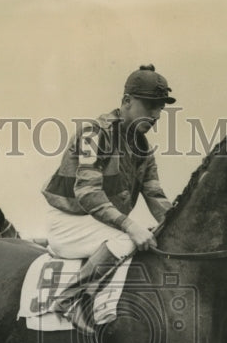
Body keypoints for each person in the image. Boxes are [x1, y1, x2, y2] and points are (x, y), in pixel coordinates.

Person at [42, 64, 176, 326]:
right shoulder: (94, 134)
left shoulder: (143, 148)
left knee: (151, 237)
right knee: (127, 240)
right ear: (127, 101)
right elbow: (87, 191)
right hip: (67, 219)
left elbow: (155, 195)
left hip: (97, 224)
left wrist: (177, 225)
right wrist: (129, 225)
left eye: (161, 107)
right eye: (150, 105)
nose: (157, 114)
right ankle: (69, 299)